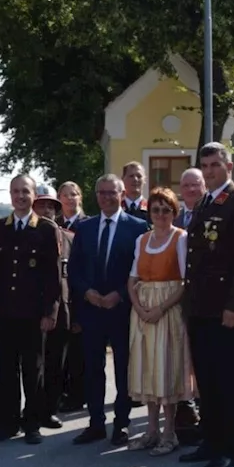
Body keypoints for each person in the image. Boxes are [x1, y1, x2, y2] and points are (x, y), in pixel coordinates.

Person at [180, 143, 234, 467]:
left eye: (215, 164)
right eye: (205, 165)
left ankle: (228, 448)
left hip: (227, 310)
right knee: (207, 379)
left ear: (229, 166)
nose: (210, 169)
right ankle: (210, 441)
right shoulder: (203, 202)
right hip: (200, 307)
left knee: (227, 380)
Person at [0, 174, 60, 445]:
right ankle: (8, 422)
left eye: (25, 191)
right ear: (10, 195)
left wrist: (50, 312)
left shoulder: (46, 230)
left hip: (34, 314)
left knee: (33, 369)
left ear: (34, 195)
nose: (20, 196)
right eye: (15, 191)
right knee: (8, 371)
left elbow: (52, 276)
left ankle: (32, 423)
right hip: (4, 312)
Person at [67, 174, 148, 447]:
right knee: (92, 369)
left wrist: (120, 295)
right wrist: (87, 292)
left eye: (111, 192)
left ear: (122, 193)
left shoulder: (138, 227)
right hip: (91, 310)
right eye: (101, 192)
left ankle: (122, 424)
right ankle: (96, 423)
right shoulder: (85, 228)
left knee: (124, 369)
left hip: (122, 310)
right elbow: (74, 269)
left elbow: (143, 271)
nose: (106, 197)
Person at [125, 187, 195, 456]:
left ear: (174, 213)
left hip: (168, 311)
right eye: (156, 209)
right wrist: (139, 307)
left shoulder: (180, 238)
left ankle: (170, 432)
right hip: (143, 311)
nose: (161, 215)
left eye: (166, 210)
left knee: (166, 370)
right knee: (148, 370)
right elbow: (132, 278)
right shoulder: (142, 240)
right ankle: (151, 430)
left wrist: (160, 308)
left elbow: (184, 282)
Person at [172, 167, 206, 445]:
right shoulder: (176, 218)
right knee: (184, 357)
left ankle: (206, 415)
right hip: (177, 299)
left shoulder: (211, 214)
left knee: (204, 361)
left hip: (204, 299)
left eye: (196, 185)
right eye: (187, 185)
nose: (191, 190)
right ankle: (187, 409)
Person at [33, 184, 71, 428]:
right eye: (42, 205)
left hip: (64, 308)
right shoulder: (29, 235)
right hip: (37, 308)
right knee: (36, 363)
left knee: (58, 362)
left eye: (51, 206)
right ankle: (34, 409)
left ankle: (50, 409)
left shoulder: (68, 237)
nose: (47, 209)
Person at [55, 181, 87, 411]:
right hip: (60, 297)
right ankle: (61, 393)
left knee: (79, 353)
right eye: (65, 195)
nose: (69, 199)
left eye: (74, 194)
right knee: (60, 352)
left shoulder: (89, 225)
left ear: (80, 198)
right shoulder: (53, 226)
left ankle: (77, 395)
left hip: (80, 296)